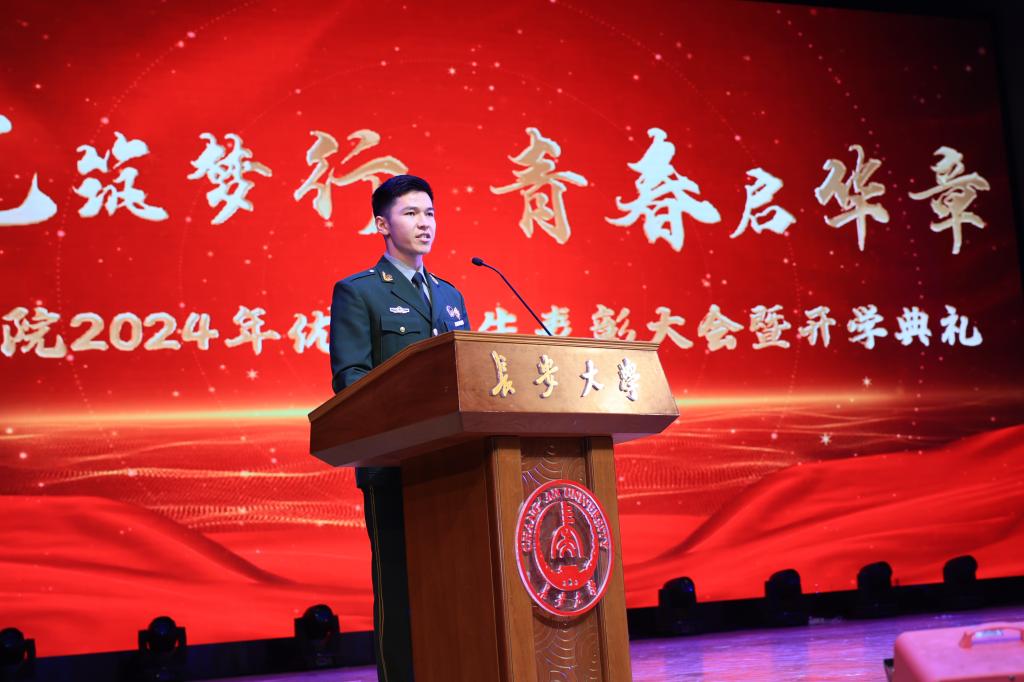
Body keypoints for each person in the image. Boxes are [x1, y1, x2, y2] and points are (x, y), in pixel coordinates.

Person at [329, 174, 469, 682]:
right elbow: (351, 379)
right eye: (411, 213)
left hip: (455, 465)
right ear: (382, 225)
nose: (425, 223)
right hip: (394, 468)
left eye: (430, 213)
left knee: (456, 583)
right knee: (401, 586)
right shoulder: (359, 292)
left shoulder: (450, 296)